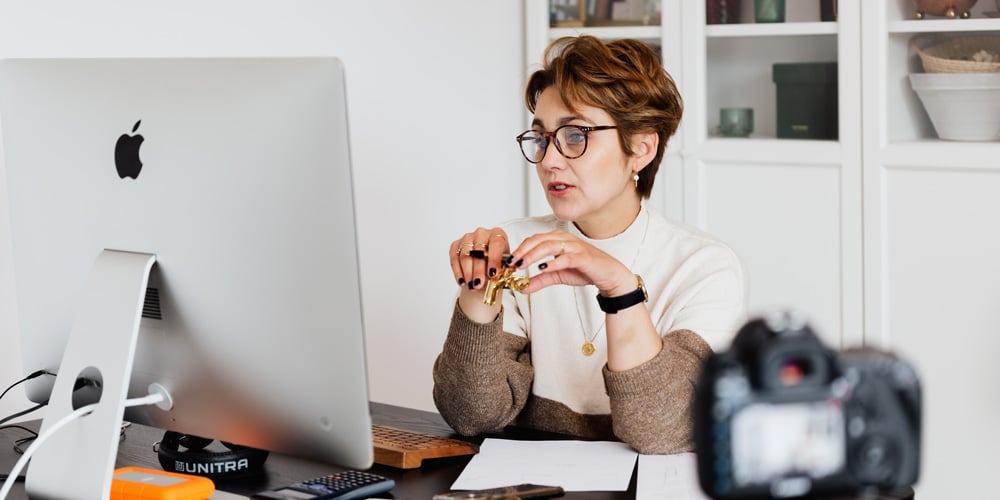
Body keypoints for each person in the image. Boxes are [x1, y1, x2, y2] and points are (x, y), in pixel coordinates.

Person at [433, 36, 746, 454]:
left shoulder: (704, 266)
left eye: (576, 135)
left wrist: (621, 290)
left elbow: (664, 431)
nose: (549, 160)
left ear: (641, 148)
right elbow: (471, 416)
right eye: (542, 138)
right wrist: (477, 294)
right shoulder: (516, 247)